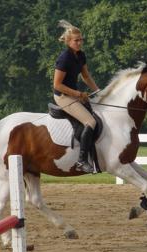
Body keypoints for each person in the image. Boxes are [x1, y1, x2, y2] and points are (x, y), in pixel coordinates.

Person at [53, 20, 100, 173]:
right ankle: (81, 161)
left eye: (81, 39)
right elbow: (57, 85)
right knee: (90, 121)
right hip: (62, 97)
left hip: (73, 95)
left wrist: (98, 92)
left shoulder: (80, 55)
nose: (80, 43)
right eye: (76, 40)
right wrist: (79, 94)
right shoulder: (64, 58)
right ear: (68, 41)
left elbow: (86, 76)